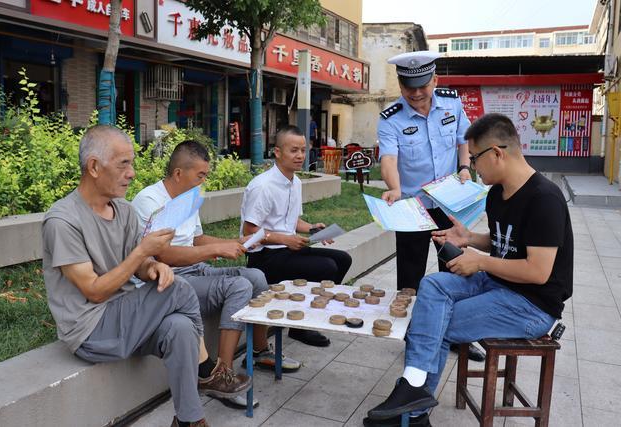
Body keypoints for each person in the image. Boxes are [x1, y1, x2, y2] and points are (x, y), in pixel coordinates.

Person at [364, 113, 573, 427]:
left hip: (532, 306)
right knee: (433, 284)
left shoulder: (544, 199)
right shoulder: (497, 194)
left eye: (475, 158)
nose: (472, 166)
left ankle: (414, 408)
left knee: (438, 321)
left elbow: (538, 272)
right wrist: (471, 239)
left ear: (498, 153)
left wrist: (480, 261)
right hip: (497, 285)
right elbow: (506, 240)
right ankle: (413, 388)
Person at [42, 126, 249, 427]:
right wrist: (143, 253)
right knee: (180, 289)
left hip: (126, 316)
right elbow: (94, 292)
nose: (132, 173)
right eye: (123, 164)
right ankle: (207, 371)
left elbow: (139, 265)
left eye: (132, 164)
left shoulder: (123, 211)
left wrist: (154, 267)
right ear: (94, 167)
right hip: (90, 329)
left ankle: (189, 421)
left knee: (178, 327)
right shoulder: (63, 220)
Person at [131, 140, 301, 389]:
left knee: (255, 276)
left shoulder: (189, 196)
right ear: (179, 173)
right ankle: (221, 374)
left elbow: (196, 239)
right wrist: (214, 250)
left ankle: (259, 351)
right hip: (168, 279)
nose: (204, 181)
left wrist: (235, 242)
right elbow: (162, 256)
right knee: (239, 286)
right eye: (200, 175)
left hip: (194, 270)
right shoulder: (149, 200)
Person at [377, 50, 484, 362]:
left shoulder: (452, 102)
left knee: (455, 268)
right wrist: (394, 188)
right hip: (411, 204)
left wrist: (465, 167)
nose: (416, 92)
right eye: (409, 85)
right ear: (400, 85)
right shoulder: (391, 117)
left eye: (422, 84)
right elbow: (389, 159)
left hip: (448, 203)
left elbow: (464, 138)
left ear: (435, 80)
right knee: (410, 273)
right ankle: (413, 335)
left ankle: (455, 334)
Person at [241, 125, 352, 347]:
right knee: (327, 268)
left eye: (303, 150)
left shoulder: (295, 182)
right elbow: (249, 232)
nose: (300, 155)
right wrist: (286, 239)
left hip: (287, 249)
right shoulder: (263, 186)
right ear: (277, 152)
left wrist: (312, 228)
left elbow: (290, 221)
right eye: (294, 150)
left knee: (343, 260)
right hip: (264, 258)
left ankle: (302, 323)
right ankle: (302, 325)